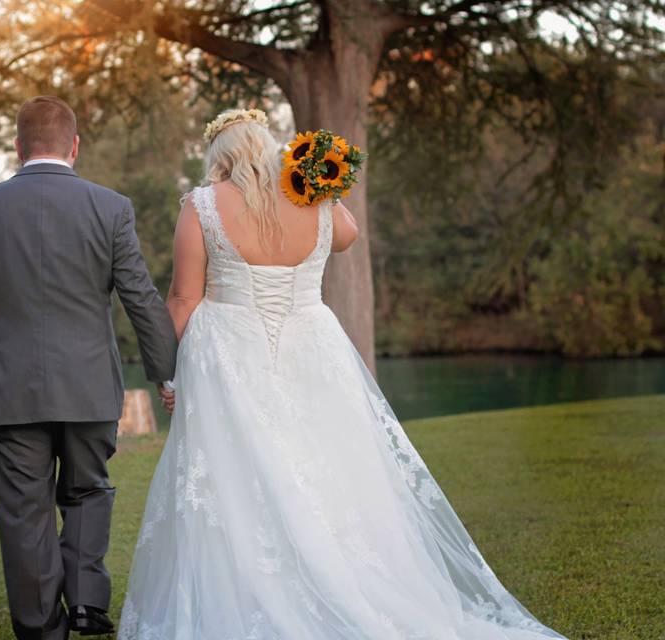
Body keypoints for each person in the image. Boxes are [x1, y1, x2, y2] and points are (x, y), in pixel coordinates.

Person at [118, 109, 567, 639]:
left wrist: (167, 376)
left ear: (219, 158)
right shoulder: (313, 199)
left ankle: (255, 592)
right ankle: (339, 581)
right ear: (270, 149)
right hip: (311, 350)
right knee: (325, 467)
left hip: (228, 357)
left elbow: (183, 298)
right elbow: (347, 235)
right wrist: (317, 178)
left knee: (235, 476)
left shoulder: (201, 206)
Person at [0, 95, 177, 640]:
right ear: (74, 146)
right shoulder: (111, 207)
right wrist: (166, 373)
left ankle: (41, 627)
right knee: (89, 489)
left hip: (9, 389)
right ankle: (89, 603)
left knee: (26, 516)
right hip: (91, 385)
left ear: (18, 147)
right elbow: (140, 296)